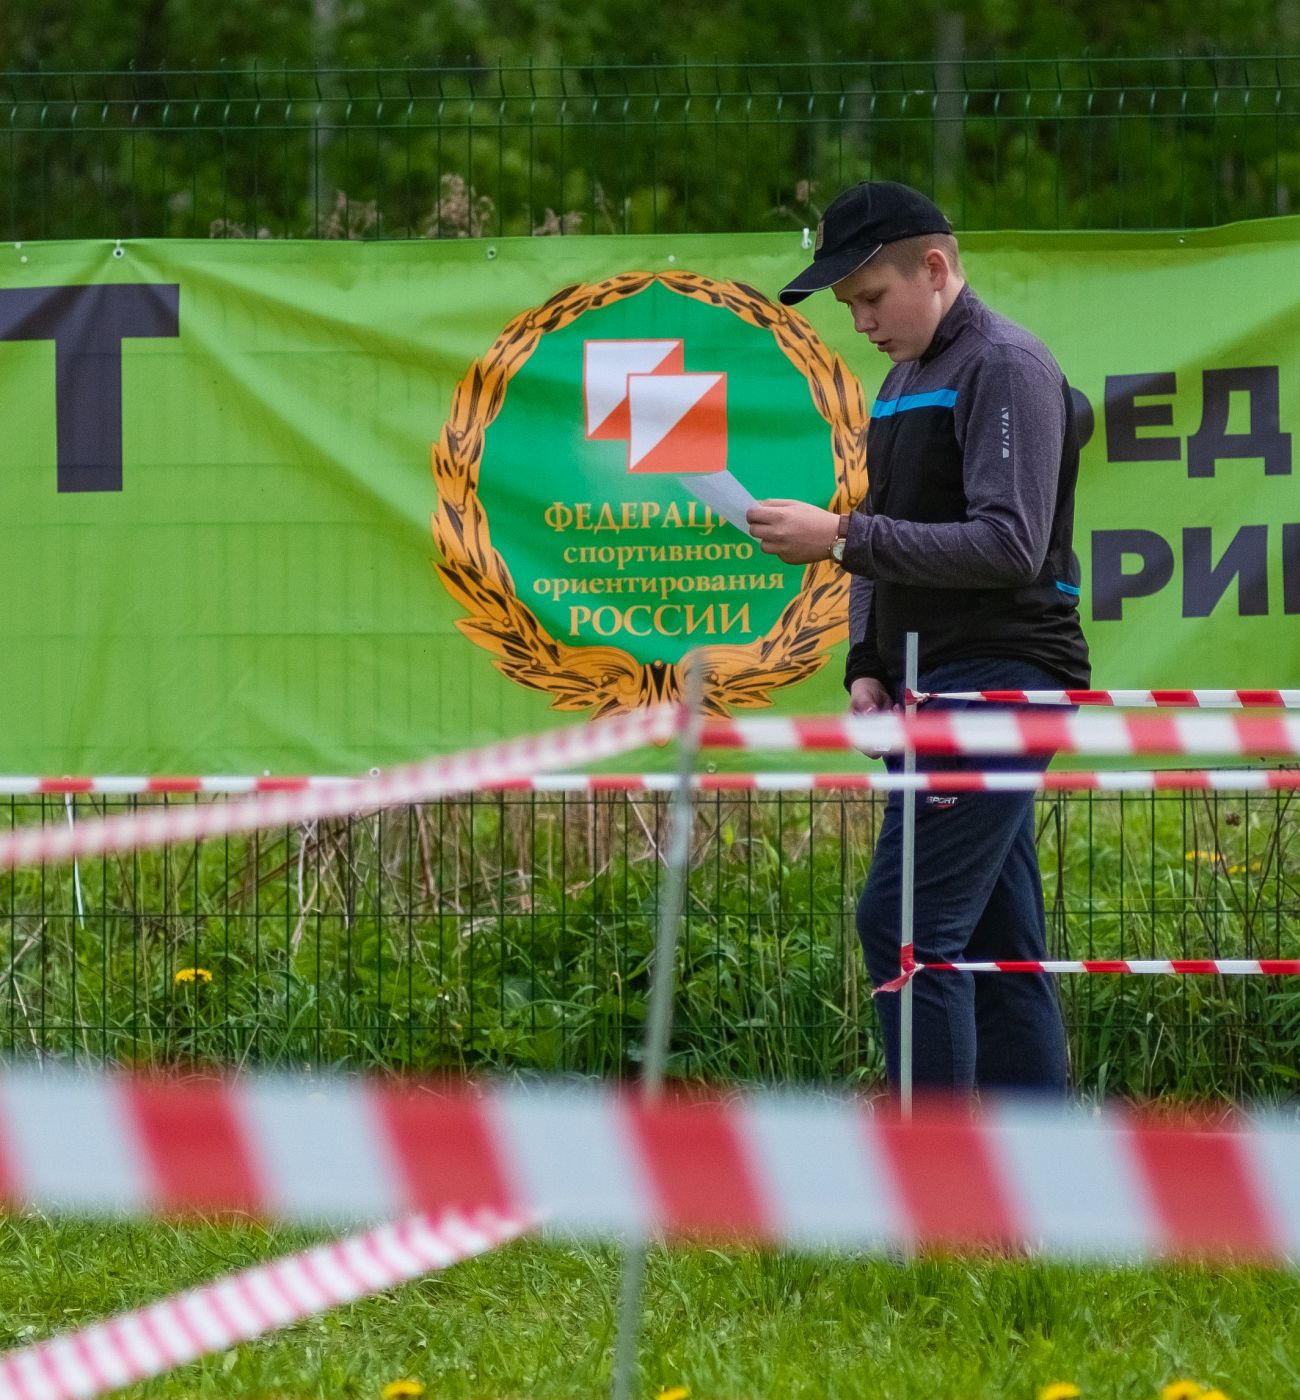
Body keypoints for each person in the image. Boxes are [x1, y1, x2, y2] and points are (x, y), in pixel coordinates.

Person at [746, 180, 1090, 1095]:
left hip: (1001, 679)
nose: (858, 322)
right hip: (927, 683)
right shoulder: (902, 379)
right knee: (998, 944)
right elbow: (882, 525)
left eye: (869, 297)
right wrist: (865, 664)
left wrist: (839, 537)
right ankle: (1039, 1167)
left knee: (902, 925)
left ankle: (937, 1173)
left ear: (934, 268)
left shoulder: (1004, 364)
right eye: (848, 305)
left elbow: (1008, 544)